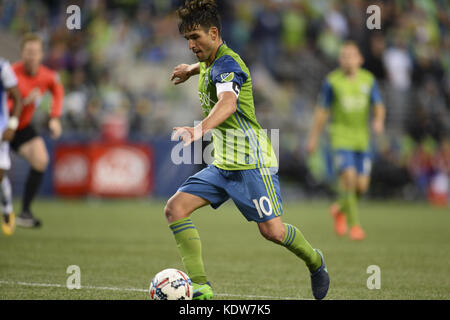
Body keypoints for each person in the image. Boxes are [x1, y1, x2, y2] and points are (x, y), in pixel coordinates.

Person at [167, 0, 329, 300]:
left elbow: (228, 103)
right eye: (187, 39)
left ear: (214, 33)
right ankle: (201, 286)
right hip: (223, 163)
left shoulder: (228, 64)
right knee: (175, 209)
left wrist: (199, 129)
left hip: (252, 162)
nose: (191, 45)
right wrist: (191, 69)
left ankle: (316, 262)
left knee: (273, 233)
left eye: (196, 38)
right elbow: (207, 67)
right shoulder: (210, 61)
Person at [307, 41, 386, 240]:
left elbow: (378, 105)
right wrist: (313, 138)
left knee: (362, 187)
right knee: (348, 178)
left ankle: (339, 209)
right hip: (340, 137)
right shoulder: (332, 81)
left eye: (351, 55)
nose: (347, 59)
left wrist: (378, 121)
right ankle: (355, 226)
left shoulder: (368, 80)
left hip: (362, 139)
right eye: (343, 56)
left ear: (360, 59)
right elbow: (322, 112)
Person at [7, 33, 64, 228]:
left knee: (41, 160)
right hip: (3, 126)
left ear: (41, 54)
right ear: (22, 53)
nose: (32, 56)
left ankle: (25, 213)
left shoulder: (45, 74)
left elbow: (57, 89)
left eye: (35, 52)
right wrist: (21, 103)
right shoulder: (10, 73)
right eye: (28, 52)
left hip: (21, 127)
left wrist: (55, 118)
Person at [0, 57, 22, 236]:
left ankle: (6, 207)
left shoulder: (2, 66)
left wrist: (12, 125)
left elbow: (17, 98)